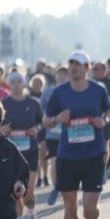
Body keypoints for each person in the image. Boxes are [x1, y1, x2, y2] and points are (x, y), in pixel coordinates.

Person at [42, 52, 110, 219]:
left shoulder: (98, 90)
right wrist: (56, 120)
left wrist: (105, 119)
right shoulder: (59, 93)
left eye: (78, 64)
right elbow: (46, 120)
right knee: (70, 205)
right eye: (71, 64)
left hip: (93, 154)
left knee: (89, 208)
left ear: (86, 68)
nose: (73, 68)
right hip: (68, 156)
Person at [1, 71, 43, 219]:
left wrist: (36, 129)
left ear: (24, 84)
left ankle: (31, 213)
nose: (16, 84)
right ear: (9, 85)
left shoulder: (34, 103)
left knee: (29, 193)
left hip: (31, 152)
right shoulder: (3, 104)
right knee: (16, 191)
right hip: (11, 154)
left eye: (19, 81)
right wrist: (2, 130)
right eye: (13, 82)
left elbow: (42, 123)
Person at [89, 62, 110, 182]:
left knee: (106, 144)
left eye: (101, 68)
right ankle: (92, 170)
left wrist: (108, 100)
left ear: (105, 70)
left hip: (108, 118)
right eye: (95, 69)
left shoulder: (109, 83)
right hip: (92, 120)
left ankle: (105, 167)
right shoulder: (88, 83)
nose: (98, 71)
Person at [45, 66, 70, 205]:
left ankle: (68, 185)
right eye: (59, 74)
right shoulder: (48, 91)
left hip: (70, 134)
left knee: (67, 163)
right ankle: (56, 188)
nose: (61, 77)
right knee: (54, 162)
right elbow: (42, 110)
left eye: (64, 75)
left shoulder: (73, 91)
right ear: (56, 77)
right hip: (52, 134)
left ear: (68, 77)